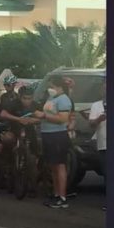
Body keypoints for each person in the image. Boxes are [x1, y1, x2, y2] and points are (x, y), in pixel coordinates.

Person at [33, 75, 74, 209]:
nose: (50, 89)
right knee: (53, 166)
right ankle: (56, 194)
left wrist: (44, 115)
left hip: (58, 136)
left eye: (52, 86)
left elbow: (62, 119)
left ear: (59, 87)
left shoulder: (64, 100)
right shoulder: (52, 98)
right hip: (47, 134)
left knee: (60, 165)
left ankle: (62, 197)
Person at [87, 81, 106, 211]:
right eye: (104, 89)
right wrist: (99, 119)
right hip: (103, 143)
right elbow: (91, 124)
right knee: (107, 173)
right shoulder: (96, 105)